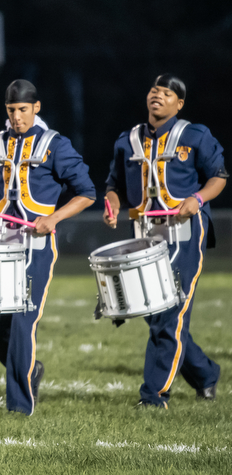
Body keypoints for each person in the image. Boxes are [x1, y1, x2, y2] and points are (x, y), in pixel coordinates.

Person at [103, 74, 228, 408]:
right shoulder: (126, 140)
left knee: (170, 315)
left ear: (179, 103)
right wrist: (113, 205)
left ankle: (154, 396)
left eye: (167, 92)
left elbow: (219, 177)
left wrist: (198, 200)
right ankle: (205, 373)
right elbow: (113, 184)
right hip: (143, 234)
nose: (158, 94)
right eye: (154, 89)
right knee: (156, 315)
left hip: (184, 233)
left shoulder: (196, 135)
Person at [0, 79, 96, 415]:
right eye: (11, 110)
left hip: (37, 244)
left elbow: (87, 193)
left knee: (23, 320)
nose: (17, 117)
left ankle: (18, 405)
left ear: (36, 108)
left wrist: (54, 218)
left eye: (23, 110)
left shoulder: (55, 144)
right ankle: (30, 369)